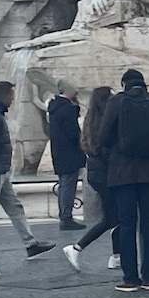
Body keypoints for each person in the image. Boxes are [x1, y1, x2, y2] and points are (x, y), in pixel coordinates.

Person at [102, 69, 149, 291]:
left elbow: (103, 137)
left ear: (124, 83)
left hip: (123, 173)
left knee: (126, 224)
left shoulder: (117, 102)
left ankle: (130, 278)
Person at [0, 82, 57, 259]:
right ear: (4, 96)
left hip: (1, 172)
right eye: (11, 95)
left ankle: (30, 243)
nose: (13, 99)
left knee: (15, 207)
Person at [62, 86, 122, 272]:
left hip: (96, 173)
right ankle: (77, 247)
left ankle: (116, 256)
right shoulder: (106, 120)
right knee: (111, 218)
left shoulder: (91, 119)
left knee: (115, 216)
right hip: (106, 173)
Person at [46, 82, 88, 229]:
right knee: (69, 186)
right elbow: (73, 134)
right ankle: (66, 217)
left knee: (64, 185)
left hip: (58, 152)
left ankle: (64, 215)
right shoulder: (67, 109)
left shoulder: (55, 107)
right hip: (70, 153)